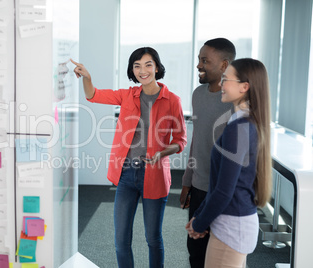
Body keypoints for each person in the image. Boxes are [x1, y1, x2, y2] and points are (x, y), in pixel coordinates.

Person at [71, 47, 187, 268]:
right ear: (132, 70)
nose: (142, 70)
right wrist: (87, 77)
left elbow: (181, 140)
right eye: (137, 66)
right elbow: (92, 95)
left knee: (153, 239)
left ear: (157, 67)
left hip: (154, 176)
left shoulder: (172, 100)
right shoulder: (127, 95)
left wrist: (162, 153)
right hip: (127, 174)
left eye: (147, 64)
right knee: (121, 240)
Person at [185, 58, 272, 267]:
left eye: (226, 80)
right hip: (234, 222)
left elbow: (224, 190)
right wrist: (200, 216)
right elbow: (220, 184)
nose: (221, 85)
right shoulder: (242, 122)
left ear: (245, 86)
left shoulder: (239, 128)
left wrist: (200, 223)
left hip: (232, 227)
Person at [180, 38, 236, 267]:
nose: (199, 65)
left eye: (205, 60)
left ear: (224, 65)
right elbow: (197, 141)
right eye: (198, 60)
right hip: (200, 187)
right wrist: (187, 182)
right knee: (195, 250)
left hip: (224, 191)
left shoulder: (235, 101)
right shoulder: (197, 94)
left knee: (221, 254)